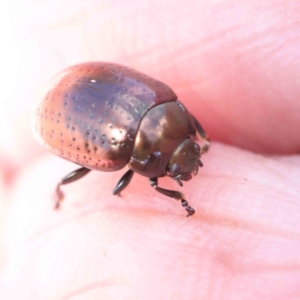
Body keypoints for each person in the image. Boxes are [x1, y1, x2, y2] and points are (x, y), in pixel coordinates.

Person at [0, 0, 299, 299]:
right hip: (54, 115)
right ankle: (59, 195)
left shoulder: (162, 100)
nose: (188, 166)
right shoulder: (130, 137)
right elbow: (122, 190)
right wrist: (181, 196)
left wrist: (198, 141)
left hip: (79, 83)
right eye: (176, 164)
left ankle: (59, 197)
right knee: (84, 183)